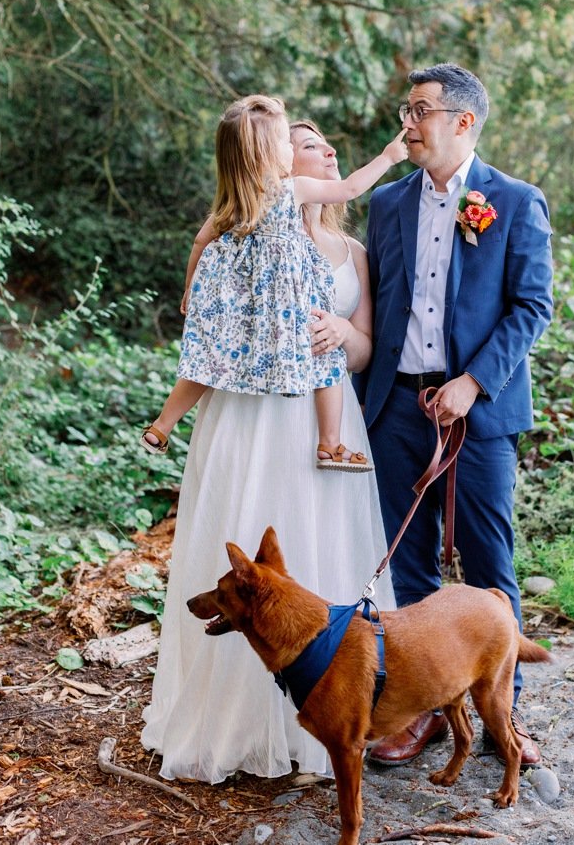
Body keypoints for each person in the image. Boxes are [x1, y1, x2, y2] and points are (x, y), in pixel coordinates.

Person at [143, 116, 399, 782]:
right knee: (241, 556)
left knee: (323, 555)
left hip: (325, 417)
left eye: (326, 144)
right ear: (276, 161)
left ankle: (327, 722)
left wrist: (343, 328)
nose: (325, 149)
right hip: (248, 419)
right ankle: (225, 722)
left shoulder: (355, 255)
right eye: (307, 141)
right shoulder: (239, 233)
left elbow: (367, 352)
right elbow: (204, 327)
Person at [356, 63, 554, 768]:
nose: (407, 124)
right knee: (409, 578)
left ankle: (505, 714)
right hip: (397, 410)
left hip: (479, 415)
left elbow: (534, 308)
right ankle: (422, 712)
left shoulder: (516, 201)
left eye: (420, 111)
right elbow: (373, 309)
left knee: (491, 569)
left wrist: (473, 381)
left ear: (463, 122)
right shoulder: (386, 206)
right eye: (407, 110)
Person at [139, 96, 407, 472]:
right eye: (286, 143)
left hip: (241, 313)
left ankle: (162, 425)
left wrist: (190, 290)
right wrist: (388, 157)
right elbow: (348, 189)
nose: (288, 149)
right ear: (267, 154)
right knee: (326, 359)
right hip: (286, 306)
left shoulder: (235, 203)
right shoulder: (291, 190)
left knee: (207, 361)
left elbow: (200, 243)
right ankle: (329, 444)